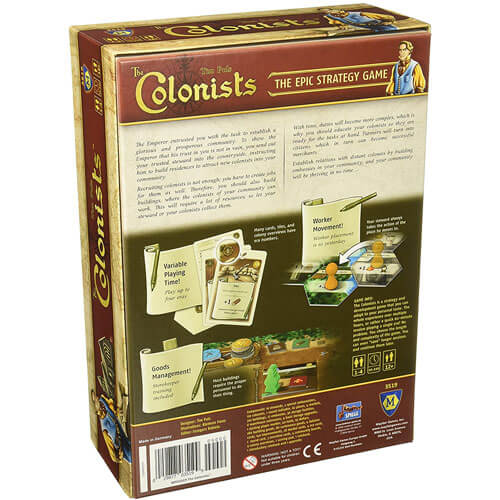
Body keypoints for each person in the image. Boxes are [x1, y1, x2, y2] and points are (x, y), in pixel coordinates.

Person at [91, 390, 132, 463]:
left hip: (125, 445)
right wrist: (100, 400)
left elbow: (109, 411)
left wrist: (100, 400)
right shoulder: (107, 424)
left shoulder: (106, 422)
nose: (102, 408)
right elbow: (109, 412)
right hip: (126, 447)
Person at [319, 8, 397, 32]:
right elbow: (334, 17)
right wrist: (327, 13)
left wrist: (388, 21)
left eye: (338, 13)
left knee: (392, 30)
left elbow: (387, 17)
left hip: (379, 25)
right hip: (373, 28)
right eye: (336, 14)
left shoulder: (359, 14)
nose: (337, 15)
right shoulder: (343, 19)